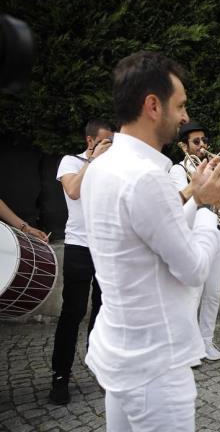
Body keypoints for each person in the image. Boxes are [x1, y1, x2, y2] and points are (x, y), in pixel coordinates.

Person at [80, 51, 220, 431]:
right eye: (179, 105)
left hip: (120, 352)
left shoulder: (102, 166)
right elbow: (195, 269)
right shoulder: (147, 177)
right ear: (153, 105)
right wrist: (208, 209)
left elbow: (148, 238)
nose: (184, 117)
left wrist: (194, 197)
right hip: (156, 365)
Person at [48, 119, 113, 405]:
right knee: (72, 311)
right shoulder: (70, 161)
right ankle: (60, 376)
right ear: (90, 142)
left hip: (107, 248)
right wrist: (93, 161)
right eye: (105, 142)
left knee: (102, 312)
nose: (111, 147)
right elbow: (73, 191)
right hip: (78, 247)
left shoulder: (112, 168)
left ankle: (99, 368)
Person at [169, 120, 220, 361]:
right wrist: (204, 180)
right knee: (193, 293)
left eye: (204, 141)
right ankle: (187, 347)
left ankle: (206, 341)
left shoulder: (214, 165)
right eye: (196, 142)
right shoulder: (178, 169)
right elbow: (184, 202)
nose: (202, 145)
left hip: (218, 230)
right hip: (194, 232)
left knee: (214, 292)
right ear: (185, 146)